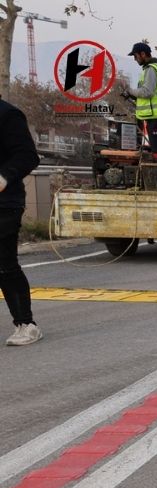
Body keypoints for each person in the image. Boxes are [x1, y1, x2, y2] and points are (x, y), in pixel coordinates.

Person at [0, 98, 42, 346]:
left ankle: (27, 324)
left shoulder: (8, 115)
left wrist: (4, 177)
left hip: (5, 202)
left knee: (4, 263)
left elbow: (28, 156)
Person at [120, 42, 157, 188]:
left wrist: (130, 90)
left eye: (135, 55)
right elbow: (149, 97)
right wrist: (132, 96)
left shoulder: (151, 69)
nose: (135, 59)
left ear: (143, 54)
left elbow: (147, 92)